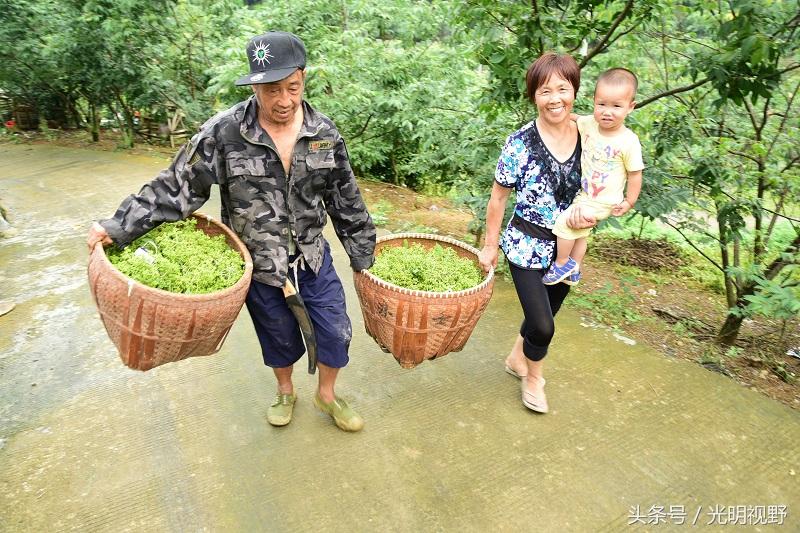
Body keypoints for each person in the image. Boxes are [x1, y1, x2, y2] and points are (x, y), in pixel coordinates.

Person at [86, 31, 376, 432]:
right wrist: (118, 227)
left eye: (292, 87)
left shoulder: (323, 133)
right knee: (277, 336)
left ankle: (327, 395)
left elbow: (345, 197)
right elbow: (177, 187)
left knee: (336, 329)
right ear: (254, 85)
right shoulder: (224, 132)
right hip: (258, 262)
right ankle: (285, 390)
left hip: (311, 254)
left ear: (303, 78)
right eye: (271, 90)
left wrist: (363, 256)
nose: (284, 100)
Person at [478, 52, 595, 414]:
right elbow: (499, 196)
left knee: (544, 311)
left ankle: (517, 357)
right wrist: (489, 246)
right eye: (545, 91)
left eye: (563, 88)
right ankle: (533, 378)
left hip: (571, 245)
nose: (555, 98)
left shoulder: (590, 135)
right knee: (543, 326)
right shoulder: (520, 143)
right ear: (534, 96)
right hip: (526, 244)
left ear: (575, 90)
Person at [542, 68, 644, 285]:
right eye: (602, 104)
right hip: (586, 194)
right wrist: (554, 112)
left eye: (616, 106)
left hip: (604, 200)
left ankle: (561, 263)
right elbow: (573, 117)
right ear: (594, 102)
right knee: (580, 232)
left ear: (630, 107)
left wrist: (629, 201)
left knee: (566, 223)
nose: (607, 112)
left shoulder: (628, 140)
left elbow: (635, 174)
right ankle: (575, 267)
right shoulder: (589, 124)